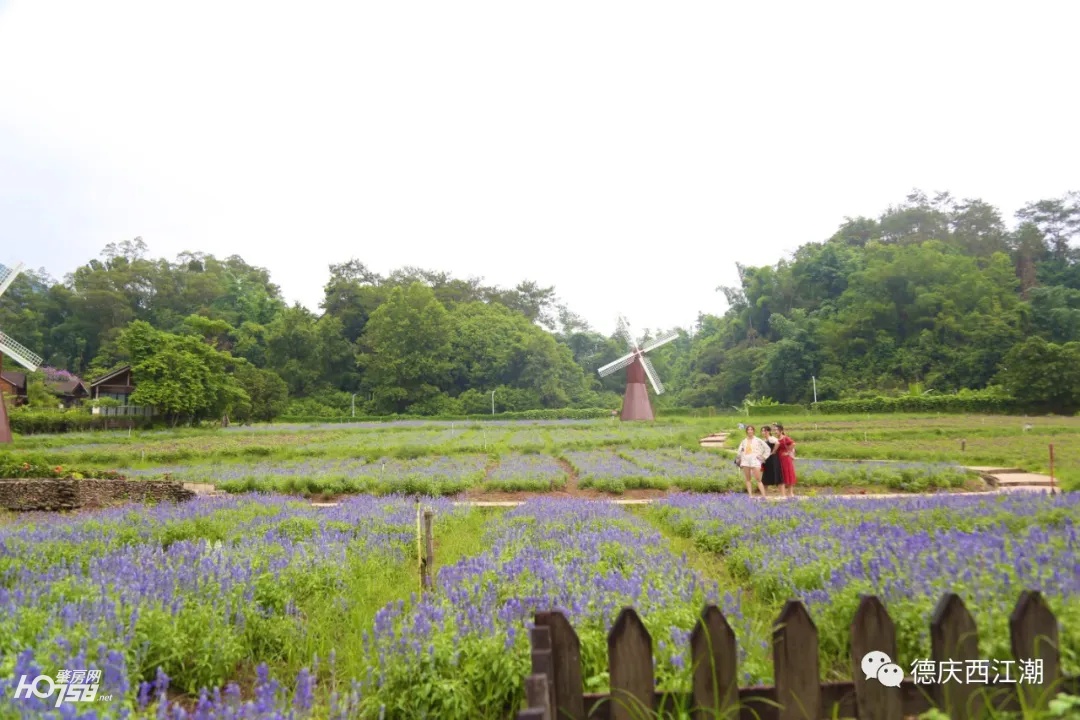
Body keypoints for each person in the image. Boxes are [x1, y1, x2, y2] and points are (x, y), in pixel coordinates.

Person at [736, 425, 769, 497]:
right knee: (748, 479)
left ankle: (764, 496)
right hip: (746, 460)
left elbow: (767, 449)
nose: (750, 431)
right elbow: (739, 451)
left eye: (751, 429)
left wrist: (763, 457)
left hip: (755, 460)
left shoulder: (758, 440)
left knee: (758, 479)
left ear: (753, 431)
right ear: (746, 431)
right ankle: (750, 496)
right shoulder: (743, 441)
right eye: (748, 429)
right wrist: (739, 460)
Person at [775, 423, 797, 498]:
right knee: (782, 476)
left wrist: (788, 452)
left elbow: (793, 444)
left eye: (777, 430)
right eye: (775, 430)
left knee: (788, 474)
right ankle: (783, 494)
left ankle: (791, 493)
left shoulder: (785, 438)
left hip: (786, 459)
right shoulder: (776, 439)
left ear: (781, 431)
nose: (775, 431)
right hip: (779, 458)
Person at [760, 425, 783, 489]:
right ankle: (764, 493)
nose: (763, 432)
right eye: (762, 431)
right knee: (765, 476)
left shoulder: (771, 438)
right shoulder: (764, 440)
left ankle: (782, 493)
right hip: (767, 460)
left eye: (765, 431)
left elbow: (777, 443)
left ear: (769, 431)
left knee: (775, 475)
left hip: (773, 459)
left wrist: (773, 451)